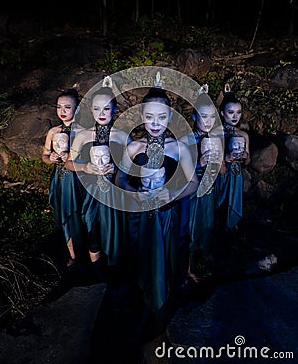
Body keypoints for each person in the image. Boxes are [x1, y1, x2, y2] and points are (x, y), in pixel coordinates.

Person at [115, 86, 198, 345]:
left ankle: (162, 322)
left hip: (166, 218)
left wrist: (171, 196)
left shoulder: (178, 147)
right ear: (141, 114)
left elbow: (193, 183)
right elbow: (119, 180)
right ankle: (137, 319)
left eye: (162, 117)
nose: (155, 123)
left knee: (164, 266)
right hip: (139, 220)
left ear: (170, 117)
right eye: (149, 116)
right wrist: (134, 192)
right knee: (138, 266)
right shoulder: (133, 147)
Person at [65, 80, 131, 279]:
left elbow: (134, 164)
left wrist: (119, 171)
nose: (101, 113)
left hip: (116, 191)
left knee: (117, 232)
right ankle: (98, 276)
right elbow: (69, 163)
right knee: (94, 233)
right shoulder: (83, 136)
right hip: (92, 192)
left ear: (115, 109)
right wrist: (85, 167)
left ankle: (116, 275)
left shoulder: (122, 136)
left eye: (106, 108)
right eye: (96, 108)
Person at [179, 84, 224, 281]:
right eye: (202, 116)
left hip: (209, 190)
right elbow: (181, 168)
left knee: (207, 224)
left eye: (211, 117)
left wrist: (219, 162)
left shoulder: (217, 138)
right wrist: (201, 162)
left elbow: (222, 168)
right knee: (190, 227)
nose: (207, 121)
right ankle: (186, 269)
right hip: (192, 191)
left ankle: (203, 262)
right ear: (194, 117)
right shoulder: (186, 139)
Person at [42, 88, 85, 267]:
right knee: (65, 214)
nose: (62, 111)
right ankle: (73, 256)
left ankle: (88, 253)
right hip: (60, 178)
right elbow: (44, 156)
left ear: (77, 109)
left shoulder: (83, 131)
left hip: (77, 179)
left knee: (81, 214)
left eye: (67, 107)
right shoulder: (53, 131)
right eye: (59, 107)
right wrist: (50, 158)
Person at [215, 86, 250, 255]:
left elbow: (248, 160)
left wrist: (244, 156)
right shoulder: (217, 133)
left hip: (237, 175)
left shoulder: (243, 135)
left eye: (238, 112)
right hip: (223, 175)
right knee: (220, 205)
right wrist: (227, 157)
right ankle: (217, 240)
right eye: (231, 112)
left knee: (233, 205)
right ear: (222, 113)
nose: (235, 116)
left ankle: (232, 238)